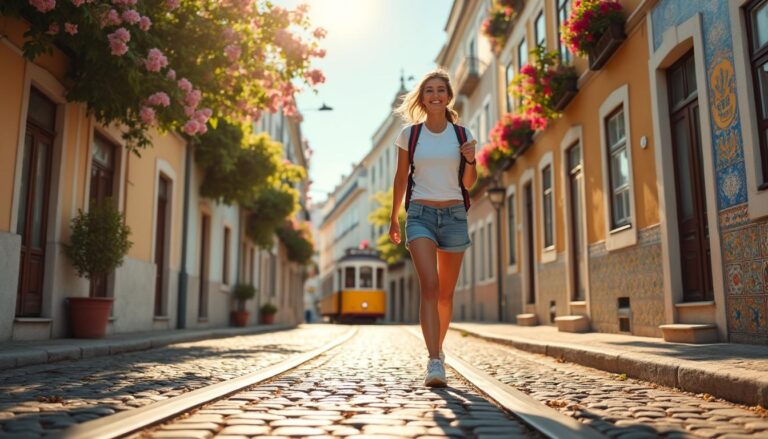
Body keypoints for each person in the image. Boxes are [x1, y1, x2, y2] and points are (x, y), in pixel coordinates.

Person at [389, 69, 477, 387]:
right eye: (429, 90)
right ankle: (434, 360)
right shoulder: (409, 136)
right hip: (420, 215)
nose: (435, 94)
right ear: (423, 98)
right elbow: (400, 179)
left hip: (454, 215)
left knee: (446, 295)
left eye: (441, 89)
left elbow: (468, 183)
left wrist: (471, 160)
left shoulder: (462, 135)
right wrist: (393, 218)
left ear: (448, 96)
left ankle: (438, 348)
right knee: (430, 287)